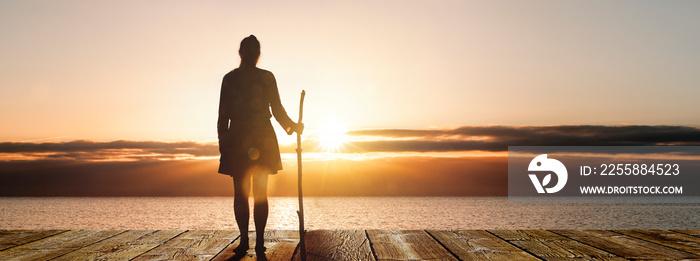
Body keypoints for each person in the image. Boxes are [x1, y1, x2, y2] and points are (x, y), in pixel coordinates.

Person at [217, 35, 303, 255]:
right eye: (251, 52)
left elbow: (276, 109)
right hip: (241, 138)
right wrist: (223, 142)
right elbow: (223, 115)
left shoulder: (263, 77)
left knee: (256, 191)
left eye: (254, 52)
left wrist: (292, 126)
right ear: (243, 54)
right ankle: (247, 240)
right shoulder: (230, 79)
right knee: (244, 192)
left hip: (256, 138)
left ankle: (256, 241)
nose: (252, 56)